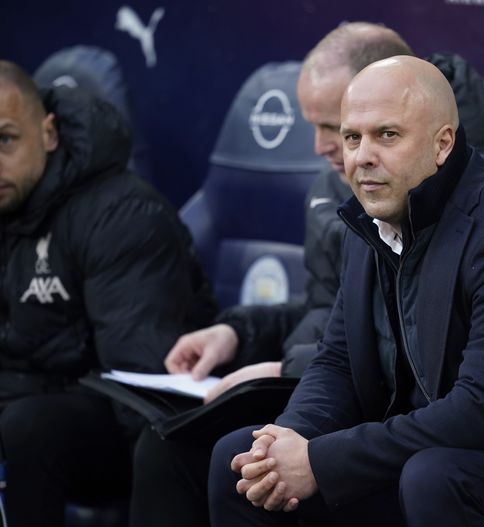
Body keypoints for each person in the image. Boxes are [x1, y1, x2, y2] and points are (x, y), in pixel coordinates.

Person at [209, 56, 484, 527]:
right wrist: (286, 441)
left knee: (433, 476)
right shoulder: (372, 216)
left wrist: (320, 461)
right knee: (240, 463)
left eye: (387, 135)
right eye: (351, 137)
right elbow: (338, 360)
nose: (363, 156)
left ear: (442, 143)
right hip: (450, 453)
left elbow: (483, 410)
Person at [128, 22, 413, 527]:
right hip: (320, 382)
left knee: (235, 460)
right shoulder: (331, 188)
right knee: (167, 443)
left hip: (381, 414)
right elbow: (328, 312)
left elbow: (399, 339)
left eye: (334, 126)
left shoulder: (435, 191)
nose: (322, 145)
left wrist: (282, 370)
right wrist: (235, 333)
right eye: (324, 128)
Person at [0, 60, 216, 527]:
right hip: (37, 401)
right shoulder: (8, 203)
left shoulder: (122, 215)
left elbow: (141, 389)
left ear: (49, 132)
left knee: (28, 427)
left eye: (5, 140)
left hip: (130, 434)